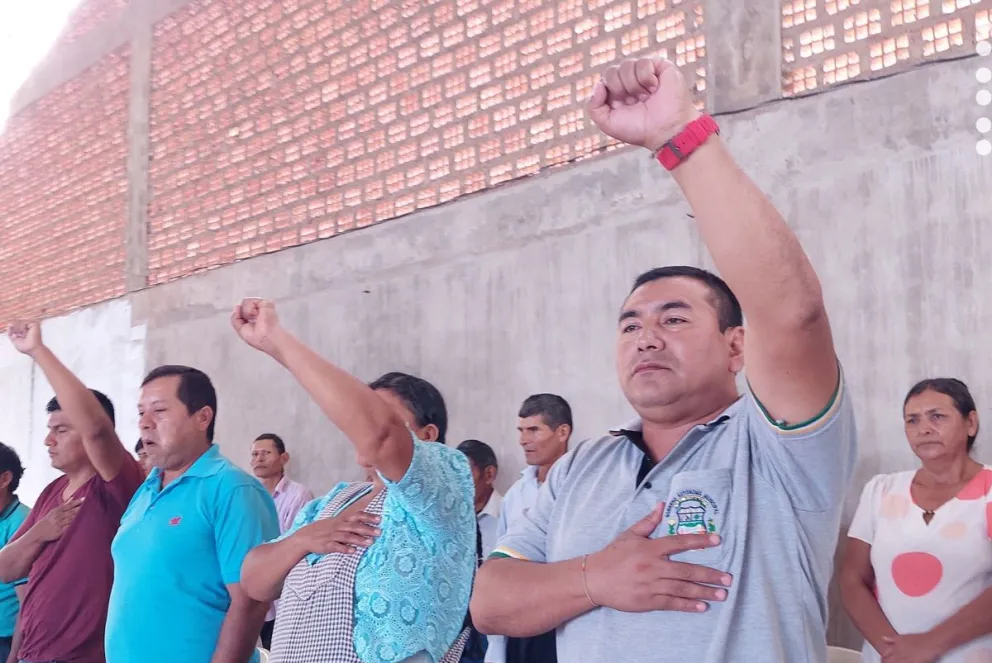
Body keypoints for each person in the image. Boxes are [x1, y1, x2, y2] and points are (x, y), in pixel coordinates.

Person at [470, 57, 857, 663]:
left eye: (674, 319)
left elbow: (794, 313)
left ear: (737, 346)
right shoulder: (582, 468)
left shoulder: (779, 447)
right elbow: (491, 600)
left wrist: (680, 134)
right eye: (630, 325)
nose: (646, 338)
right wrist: (597, 579)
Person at [235, 298, 477, 663]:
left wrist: (276, 341)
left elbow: (380, 435)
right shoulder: (335, 501)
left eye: (381, 415)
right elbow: (254, 581)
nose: (355, 427)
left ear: (428, 436)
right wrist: (302, 539)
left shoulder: (446, 484)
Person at [104, 365, 280, 663]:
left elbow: (250, 602)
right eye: (140, 413)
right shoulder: (147, 488)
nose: (145, 424)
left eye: (159, 411)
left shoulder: (232, 489)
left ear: (202, 417)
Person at [0, 321, 143, 663]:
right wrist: (40, 532)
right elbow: (6, 569)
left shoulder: (115, 484)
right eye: (49, 431)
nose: (49, 440)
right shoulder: (53, 492)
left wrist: (38, 351)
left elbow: (95, 430)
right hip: (34, 653)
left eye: (61, 430)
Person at [841, 378, 992, 663]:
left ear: (970, 423)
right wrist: (894, 651)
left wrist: (928, 646)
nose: (923, 429)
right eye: (912, 420)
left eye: (937, 416)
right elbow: (852, 579)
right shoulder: (881, 490)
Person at [485, 394, 572, 663]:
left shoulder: (584, 489)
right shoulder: (515, 495)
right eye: (521, 431)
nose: (524, 440)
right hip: (520, 626)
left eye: (534, 430)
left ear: (562, 432)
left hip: (568, 621)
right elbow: (500, 568)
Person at [250, 433, 314, 649]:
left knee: (278, 649)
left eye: (266, 453)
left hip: (283, 593)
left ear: (283, 458)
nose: (259, 459)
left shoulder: (299, 495)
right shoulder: (249, 495)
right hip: (253, 589)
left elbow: (296, 546)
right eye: (255, 454)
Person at [0, 443, 29, 663]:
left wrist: (14, 656)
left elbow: (27, 601)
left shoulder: (23, 522)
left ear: (4, 479)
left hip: (6, 641)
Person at [457, 440, 502, 556]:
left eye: (465, 475)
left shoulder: (511, 516)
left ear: (489, 474)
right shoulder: (450, 517)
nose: (457, 484)